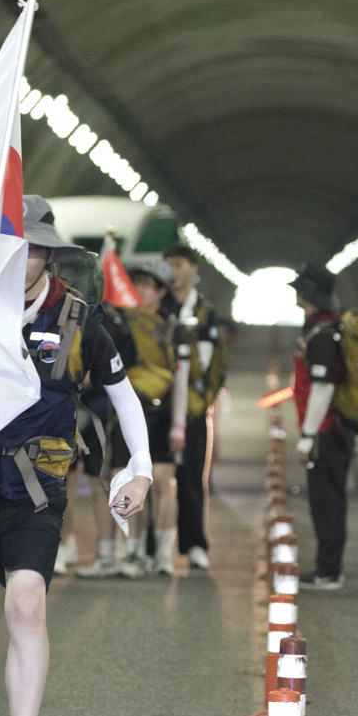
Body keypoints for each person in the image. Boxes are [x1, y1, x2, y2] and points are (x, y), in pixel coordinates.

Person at [0, 197, 151, 716]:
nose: (22, 256)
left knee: (26, 605)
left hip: (37, 488)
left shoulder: (81, 321)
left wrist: (140, 471)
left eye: (33, 247)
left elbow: (125, 398)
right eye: (12, 244)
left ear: (50, 255)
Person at [109, 256, 179, 576]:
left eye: (147, 285)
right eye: (134, 282)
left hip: (160, 411)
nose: (139, 290)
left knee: (163, 483)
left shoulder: (171, 329)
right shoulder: (120, 321)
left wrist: (179, 423)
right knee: (125, 477)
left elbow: (181, 377)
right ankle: (132, 552)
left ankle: (163, 554)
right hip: (126, 411)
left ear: (162, 291)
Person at [162, 243, 228, 570]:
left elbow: (205, 361)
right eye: (169, 264)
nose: (174, 271)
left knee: (190, 477)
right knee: (156, 477)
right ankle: (151, 548)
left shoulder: (205, 311)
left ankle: (195, 544)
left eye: (179, 264)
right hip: (159, 404)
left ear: (194, 269)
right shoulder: (158, 307)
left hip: (192, 409)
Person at [292, 262, 353, 589]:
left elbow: (323, 386)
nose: (296, 297)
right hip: (330, 430)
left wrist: (308, 435)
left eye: (300, 291)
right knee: (328, 497)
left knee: (326, 499)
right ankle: (328, 566)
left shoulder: (323, 335)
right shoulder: (325, 327)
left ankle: (329, 570)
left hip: (328, 432)